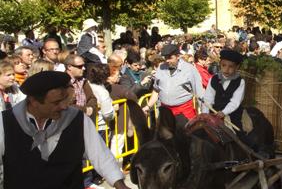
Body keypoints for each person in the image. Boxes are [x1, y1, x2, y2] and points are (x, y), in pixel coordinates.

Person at [0, 71, 130, 189]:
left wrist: (120, 185)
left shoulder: (78, 120)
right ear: (34, 101)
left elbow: (100, 156)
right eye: (56, 102)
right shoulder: (4, 123)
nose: (63, 106)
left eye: (64, 100)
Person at [153, 44, 204, 121]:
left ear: (178, 56)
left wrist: (205, 113)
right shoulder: (160, 68)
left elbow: (199, 92)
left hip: (184, 112)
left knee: (184, 132)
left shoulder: (190, 69)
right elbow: (156, 90)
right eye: (165, 58)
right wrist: (148, 106)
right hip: (165, 112)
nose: (167, 60)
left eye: (170, 58)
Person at [202, 49, 245, 135]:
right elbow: (208, 98)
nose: (226, 69)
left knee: (239, 136)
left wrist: (224, 112)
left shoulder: (240, 82)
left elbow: (235, 101)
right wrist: (206, 114)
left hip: (232, 115)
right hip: (213, 114)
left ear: (237, 67)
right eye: (224, 65)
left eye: (231, 66)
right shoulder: (214, 79)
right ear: (220, 65)